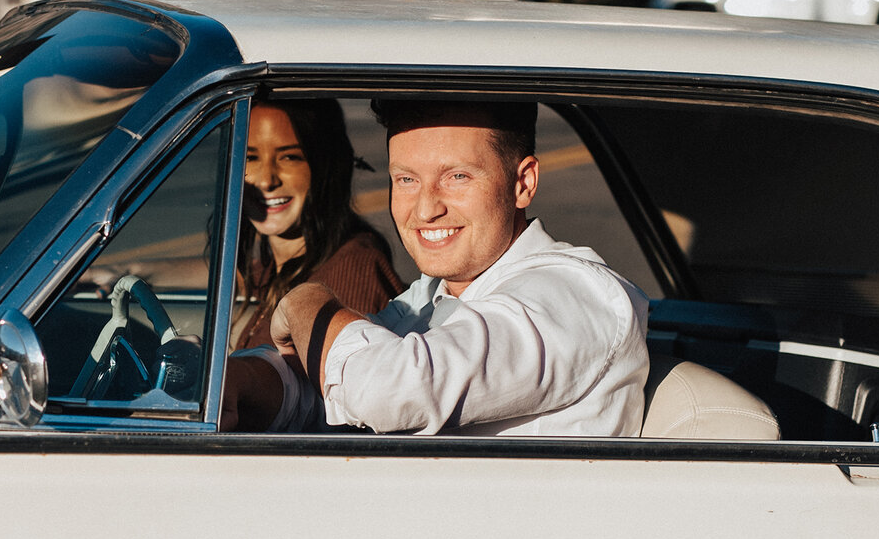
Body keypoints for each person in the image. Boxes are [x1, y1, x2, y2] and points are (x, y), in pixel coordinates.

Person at [265, 97, 648, 437]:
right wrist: (249, 384)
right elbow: (333, 383)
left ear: (523, 183)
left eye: (457, 177)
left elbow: (385, 390)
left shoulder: (573, 296)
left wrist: (306, 302)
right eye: (407, 179)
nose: (426, 209)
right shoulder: (436, 293)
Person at [231, 99, 404, 348]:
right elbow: (232, 273)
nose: (266, 180)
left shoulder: (352, 271)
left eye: (289, 157)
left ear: (325, 165)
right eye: (251, 157)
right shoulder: (285, 268)